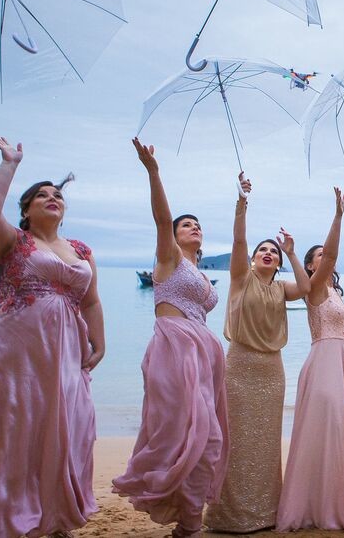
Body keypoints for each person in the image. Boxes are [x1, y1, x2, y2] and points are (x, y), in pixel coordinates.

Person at [0, 136, 105, 538]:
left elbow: (92, 301)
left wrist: (100, 342)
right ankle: (9, 522)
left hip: (66, 355)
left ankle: (55, 517)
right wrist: (10, 163)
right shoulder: (12, 241)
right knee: (15, 432)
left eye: (58, 194)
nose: (52, 198)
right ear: (25, 210)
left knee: (67, 432)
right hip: (15, 353)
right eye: (42, 195)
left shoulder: (80, 249)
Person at [112, 139, 228, 538]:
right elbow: (162, 220)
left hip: (204, 353)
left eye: (197, 225)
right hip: (174, 348)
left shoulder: (201, 273)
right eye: (186, 224)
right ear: (175, 236)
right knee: (185, 435)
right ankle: (180, 514)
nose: (193, 227)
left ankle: (189, 522)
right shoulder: (169, 258)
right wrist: (154, 172)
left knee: (207, 440)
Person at [204, 173, 309, 532]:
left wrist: (293, 253)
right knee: (235, 439)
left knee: (265, 444)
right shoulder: (239, 278)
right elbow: (238, 239)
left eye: (273, 252)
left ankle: (265, 513)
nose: (268, 253)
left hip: (271, 370)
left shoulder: (281, 288)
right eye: (263, 250)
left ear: (277, 263)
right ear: (251, 260)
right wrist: (241, 202)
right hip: (240, 366)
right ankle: (228, 515)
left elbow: (308, 287)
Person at [277, 187, 344, 532]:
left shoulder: (334, 292)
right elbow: (332, 255)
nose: (326, 259)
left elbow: (338, 336)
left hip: (337, 366)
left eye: (324, 256)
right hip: (320, 369)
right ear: (310, 266)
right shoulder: (316, 287)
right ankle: (320, 508)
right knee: (327, 431)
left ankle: (333, 503)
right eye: (317, 256)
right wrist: (338, 216)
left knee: (340, 432)